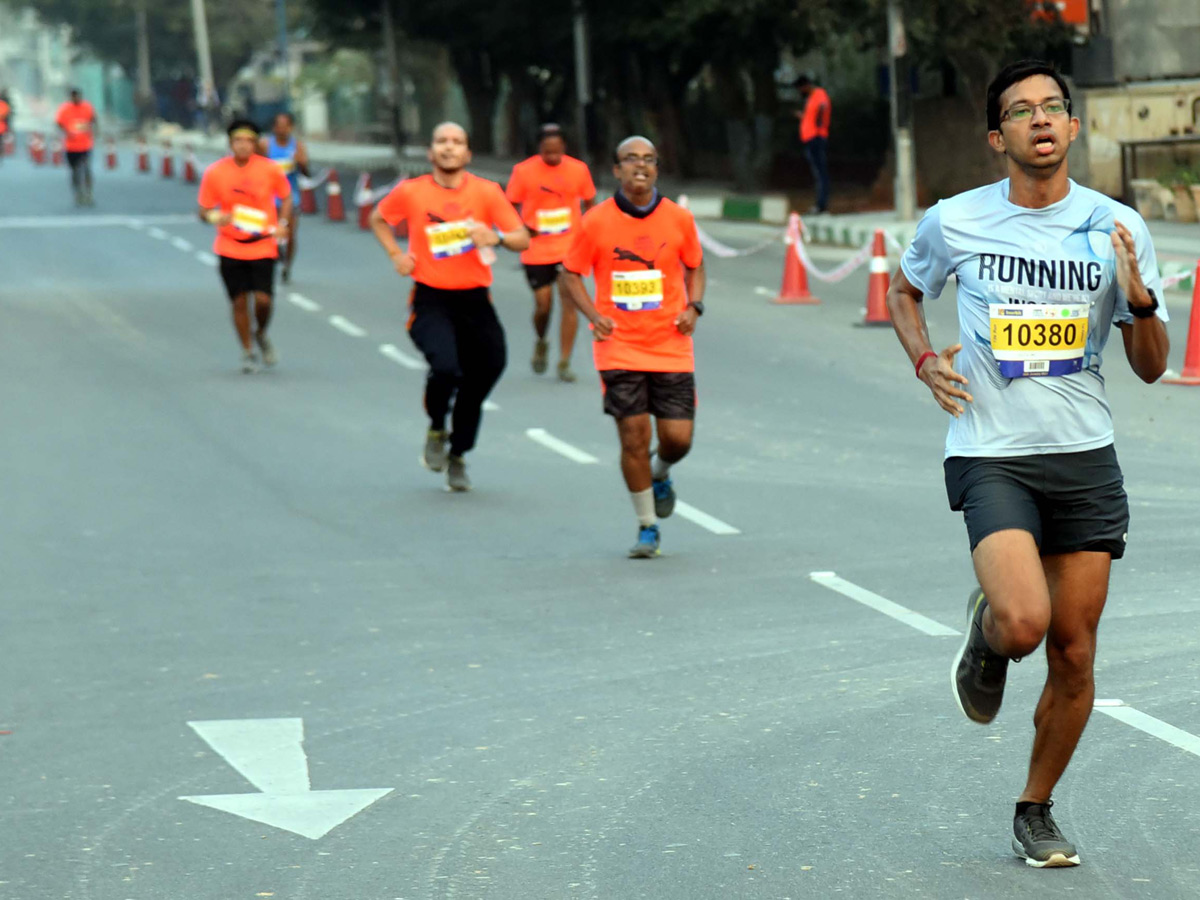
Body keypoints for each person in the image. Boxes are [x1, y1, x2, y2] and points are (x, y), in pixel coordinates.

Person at [885, 59, 1170, 868]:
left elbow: (1152, 365)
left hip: (1085, 454)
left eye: (1053, 107)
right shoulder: (954, 221)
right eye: (1021, 110)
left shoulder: (1118, 227)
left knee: (1075, 650)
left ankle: (1035, 809)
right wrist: (920, 359)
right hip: (992, 449)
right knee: (1024, 622)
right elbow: (907, 292)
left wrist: (1139, 297)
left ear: (1073, 127)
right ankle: (986, 631)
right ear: (997, 136)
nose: (1040, 119)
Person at [561, 136, 706, 558]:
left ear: (657, 169)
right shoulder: (596, 221)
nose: (640, 166)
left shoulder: (679, 218)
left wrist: (694, 307)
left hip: (670, 344)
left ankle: (662, 472)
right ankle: (647, 526)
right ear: (617, 169)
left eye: (648, 159)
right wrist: (593, 315)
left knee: (678, 439)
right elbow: (571, 273)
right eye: (631, 159)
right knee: (633, 436)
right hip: (618, 345)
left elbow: (696, 266)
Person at [368, 122, 528, 492]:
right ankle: (437, 425)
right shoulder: (411, 192)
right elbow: (379, 219)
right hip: (431, 298)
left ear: (468, 154)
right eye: (441, 141)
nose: (449, 148)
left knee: (489, 368)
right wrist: (396, 253)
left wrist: (497, 237)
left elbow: (522, 237)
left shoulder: (487, 192)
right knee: (446, 367)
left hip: (475, 300)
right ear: (431, 152)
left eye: (457, 142)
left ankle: (459, 452)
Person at [197, 119, 293, 373]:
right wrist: (217, 217)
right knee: (239, 302)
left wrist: (283, 223)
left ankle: (260, 332)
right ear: (230, 144)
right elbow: (203, 211)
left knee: (263, 300)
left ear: (255, 144)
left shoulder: (270, 170)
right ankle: (247, 351)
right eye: (238, 141)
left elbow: (286, 197)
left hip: (262, 245)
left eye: (248, 141)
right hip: (230, 246)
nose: (243, 146)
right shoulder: (216, 172)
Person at [505, 123, 597, 382]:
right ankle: (542, 340)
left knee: (570, 303)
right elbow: (507, 205)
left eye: (557, 152)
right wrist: (522, 228)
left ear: (564, 148)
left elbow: (590, 202)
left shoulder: (578, 170)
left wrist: (590, 229)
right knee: (543, 305)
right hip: (536, 250)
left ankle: (565, 361)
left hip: (570, 247)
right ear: (540, 149)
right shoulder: (523, 172)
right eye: (548, 152)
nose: (553, 157)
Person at [260, 111, 310, 284]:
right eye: (279, 126)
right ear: (274, 127)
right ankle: (274, 254)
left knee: (290, 233)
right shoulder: (265, 145)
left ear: (291, 127)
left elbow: (306, 173)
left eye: (286, 126)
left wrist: (301, 162)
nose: (282, 129)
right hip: (269, 198)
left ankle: (287, 265)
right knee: (269, 233)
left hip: (291, 196)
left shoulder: (297, 146)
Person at [793, 76, 831, 214]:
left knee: (820, 173)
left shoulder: (819, 95)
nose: (800, 92)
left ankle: (821, 205)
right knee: (817, 172)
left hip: (816, 138)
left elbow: (822, 109)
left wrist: (817, 128)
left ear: (806, 86)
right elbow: (811, 116)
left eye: (800, 88)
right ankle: (819, 204)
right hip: (810, 138)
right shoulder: (811, 98)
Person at [55, 89, 97, 206]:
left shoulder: (87, 108)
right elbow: (58, 123)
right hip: (71, 146)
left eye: (77, 96)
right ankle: (78, 192)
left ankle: (89, 192)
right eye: (73, 97)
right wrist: (66, 132)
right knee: (74, 171)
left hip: (85, 145)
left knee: (86, 168)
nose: (76, 99)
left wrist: (95, 132)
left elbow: (94, 120)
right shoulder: (65, 109)